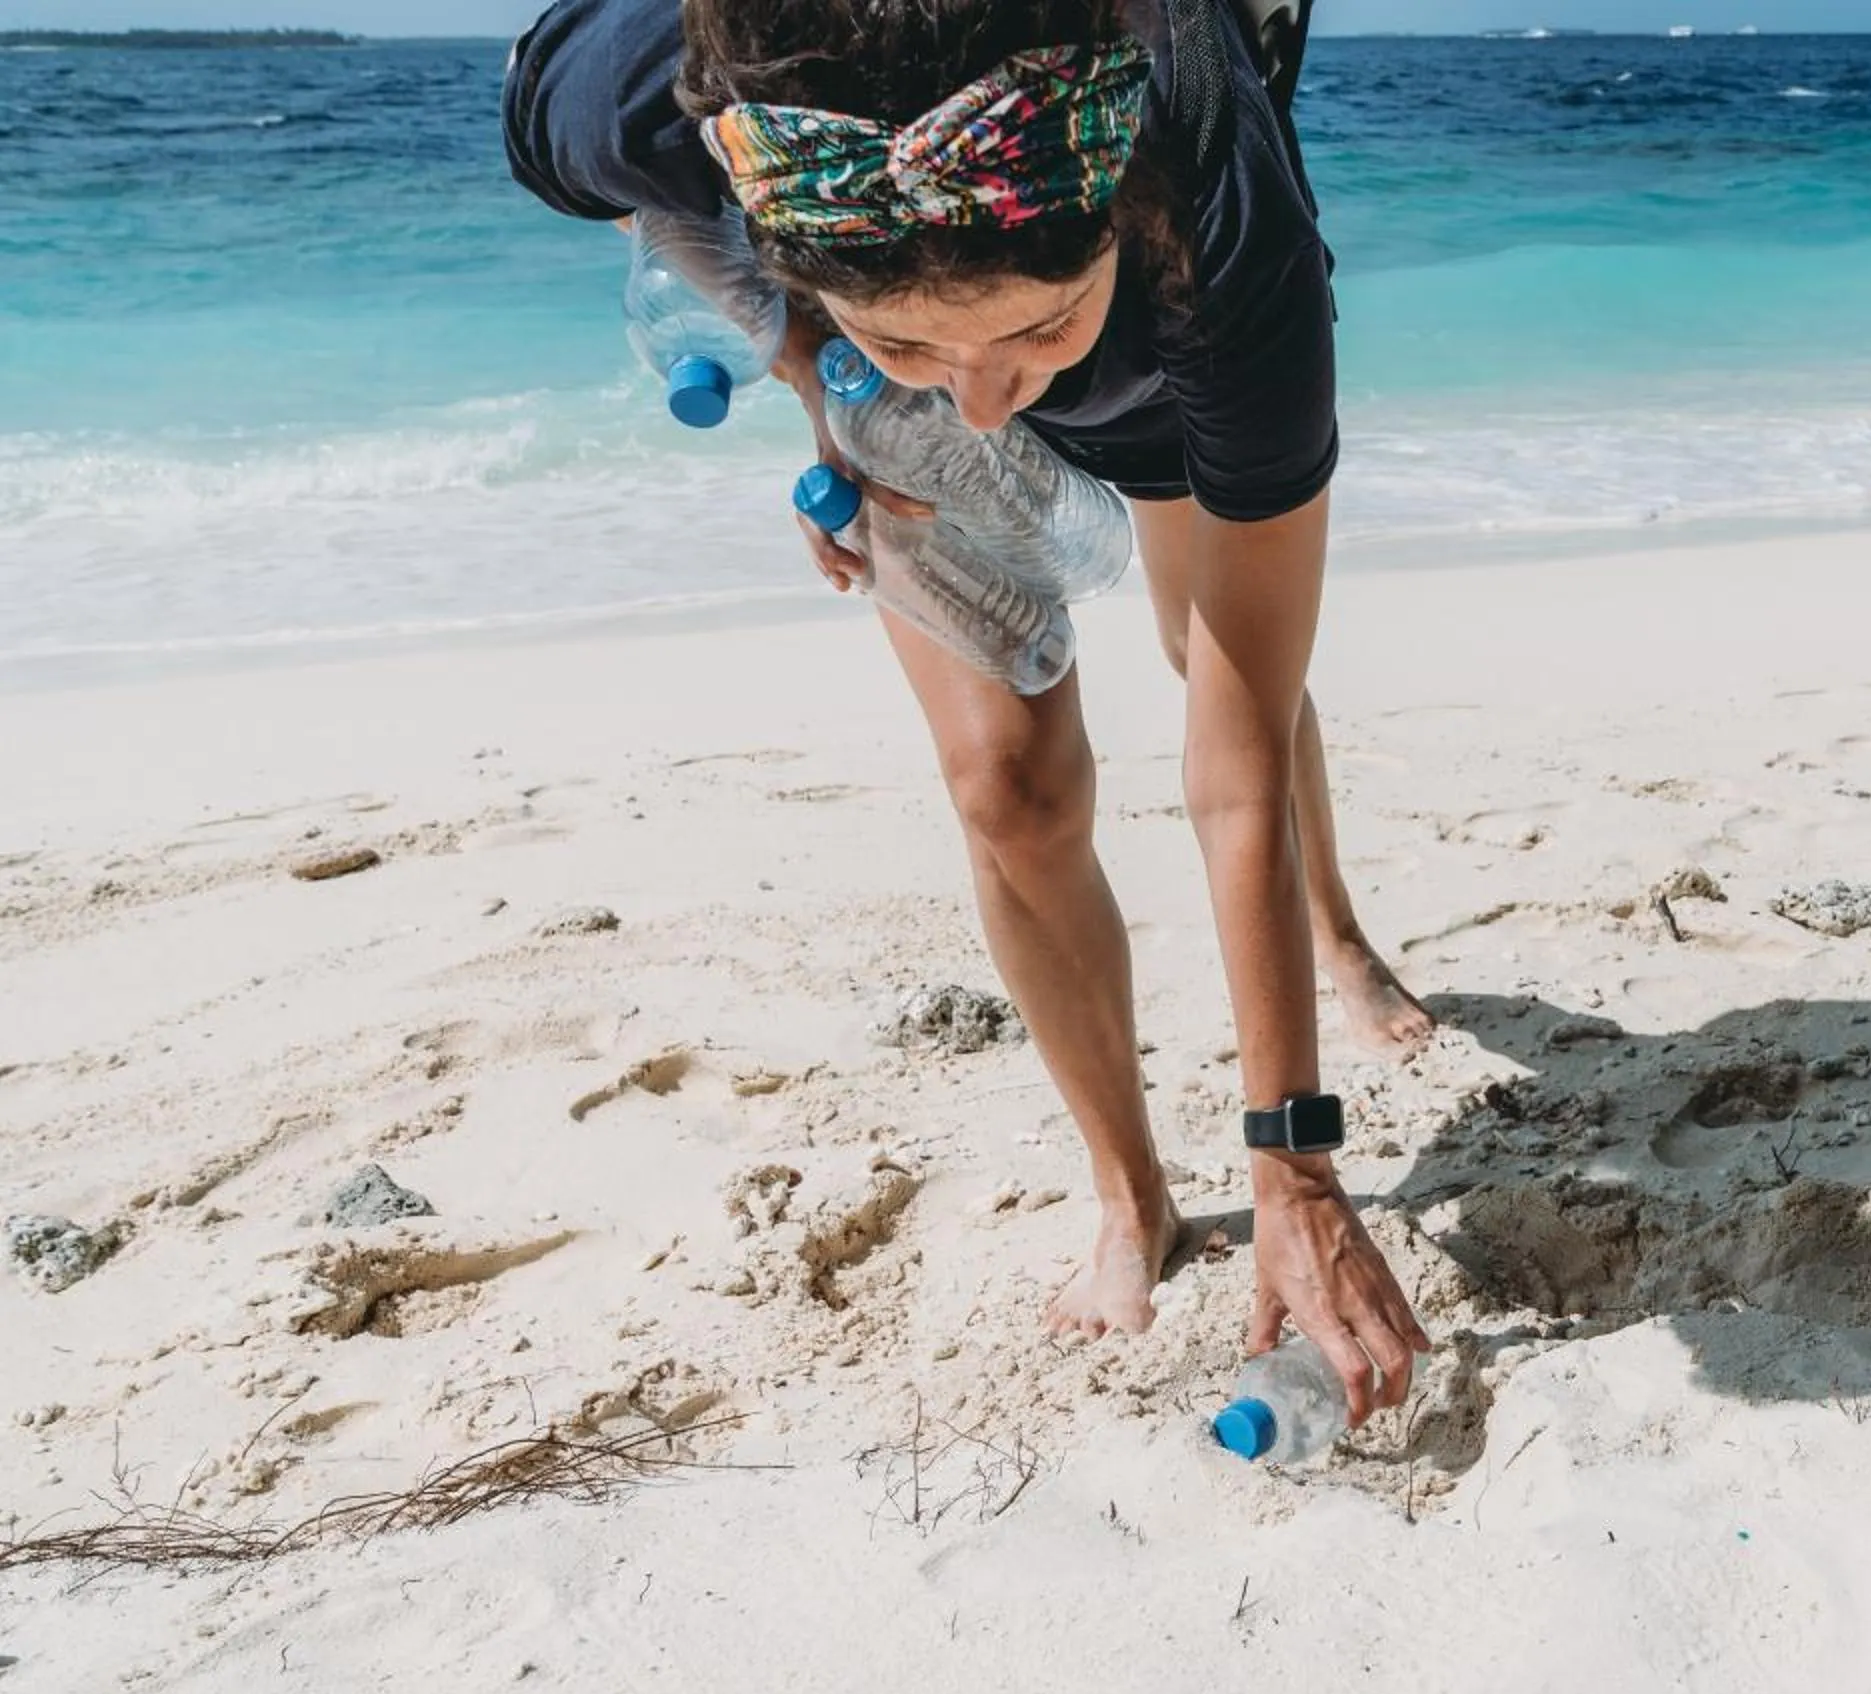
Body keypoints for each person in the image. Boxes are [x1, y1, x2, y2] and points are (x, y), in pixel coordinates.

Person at [504, 0, 1432, 1424]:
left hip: (1155, 339)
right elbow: (624, 172)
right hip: (875, 346)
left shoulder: (1222, 214)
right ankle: (1134, 1198)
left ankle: (1339, 929)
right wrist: (823, 364)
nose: (993, 407)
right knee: (1011, 789)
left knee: (1217, 656)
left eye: (1030, 336)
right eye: (949, 351)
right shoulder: (640, 90)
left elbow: (1236, 744)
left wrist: (1295, 1162)